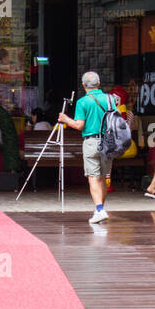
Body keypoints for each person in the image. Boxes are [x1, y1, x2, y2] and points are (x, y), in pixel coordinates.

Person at [57, 70, 122, 223]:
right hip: (109, 142)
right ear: (99, 84)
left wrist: (65, 118)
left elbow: (79, 125)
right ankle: (100, 209)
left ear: (83, 85)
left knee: (93, 177)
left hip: (91, 142)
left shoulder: (82, 102)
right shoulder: (110, 99)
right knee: (104, 177)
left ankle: (99, 209)